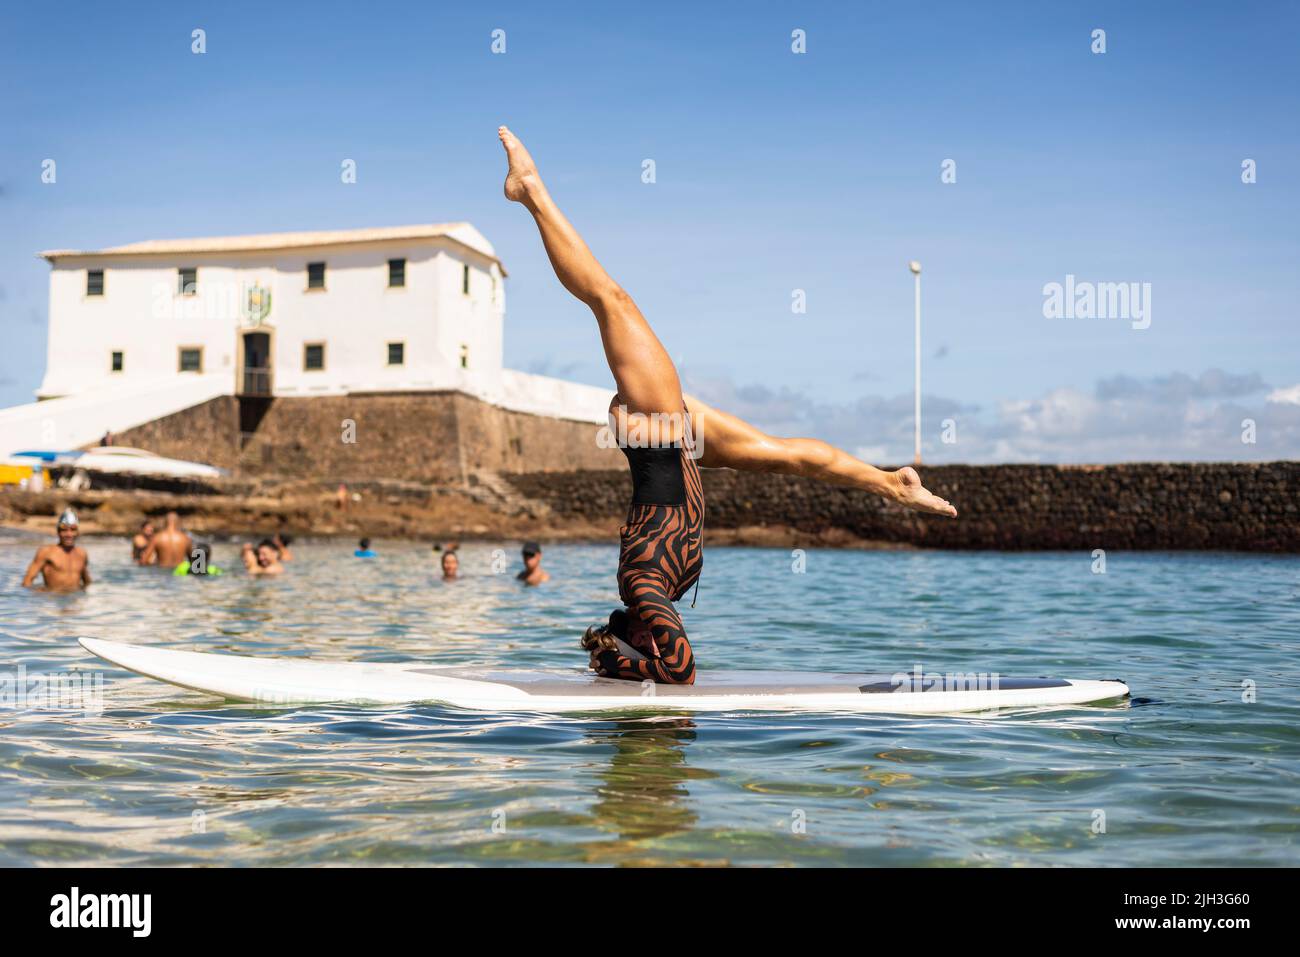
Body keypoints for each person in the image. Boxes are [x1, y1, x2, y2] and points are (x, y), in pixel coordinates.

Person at [497, 126, 957, 685]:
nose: (660, 633)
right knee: (786, 455)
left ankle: (533, 193)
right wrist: (622, 665)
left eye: (646, 637)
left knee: (610, 300)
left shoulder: (641, 586)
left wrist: (617, 663)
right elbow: (680, 670)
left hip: (660, 438)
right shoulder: (647, 590)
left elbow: (676, 667)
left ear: (635, 632)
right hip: (674, 446)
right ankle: (889, 484)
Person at [22, 508, 91, 591]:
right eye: (64, 530)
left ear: (77, 532)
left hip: (75, 600)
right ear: (58, 532)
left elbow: (87, 582)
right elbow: (27, 582)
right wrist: (37, 597)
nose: (69, 534)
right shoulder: (46, 552)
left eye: (73, 530)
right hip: (53, 601)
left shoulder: (82, 553)